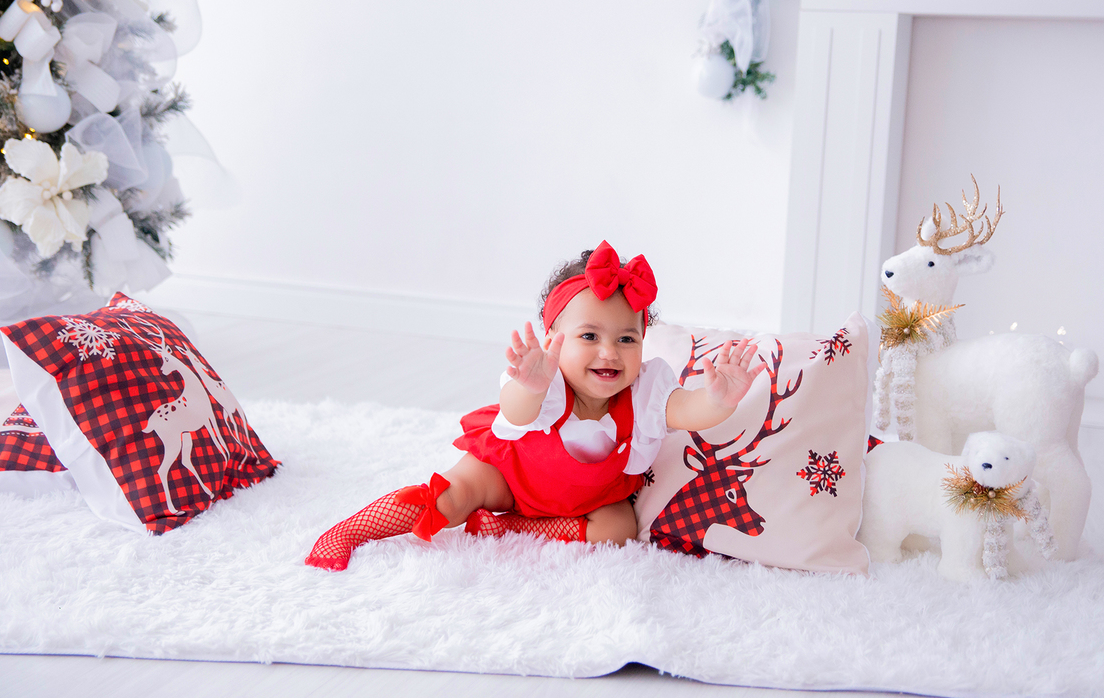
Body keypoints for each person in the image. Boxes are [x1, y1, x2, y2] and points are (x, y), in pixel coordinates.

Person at [305, 241, 766, 570]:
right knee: (453, 497)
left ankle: (510, 529)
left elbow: (686, 410)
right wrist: (530, 385)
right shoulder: (544, 380)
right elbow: (517, 412)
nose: (609, 352)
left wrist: (718, 399)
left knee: (619, 529)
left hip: (582, 502)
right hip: (508, 474)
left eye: (627, 339)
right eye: (590, 336)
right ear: (553, 339)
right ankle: (352, 530)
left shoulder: (645, 392)